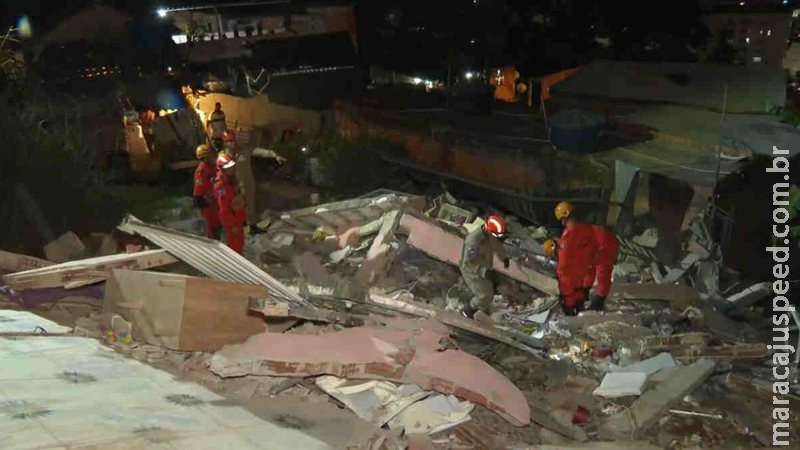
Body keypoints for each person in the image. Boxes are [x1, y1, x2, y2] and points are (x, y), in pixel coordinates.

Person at [459, 215, 510, 319]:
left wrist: (504, 258)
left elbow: (497, 246)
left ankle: (482, 310)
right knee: (483, 295)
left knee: (489, 292)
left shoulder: (490, 235)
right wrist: (483, 271)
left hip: (485, 268)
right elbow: (467, 263)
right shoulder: (473, 241)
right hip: (473, 272)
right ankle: (467, 310)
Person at [552, 201, 598, 316]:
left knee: (568, 298)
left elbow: (564, 259)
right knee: (579, 293)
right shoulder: (588, 229)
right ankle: (579, 311)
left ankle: (570, 314)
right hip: (583, 272)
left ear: (564, 217)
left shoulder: (568, 234)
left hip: (569, 274)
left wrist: (559, 273)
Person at [213, 152, 248, 254]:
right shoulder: (221, 185)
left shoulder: (231, 179)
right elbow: (224, 208)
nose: (231, 169)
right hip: (232, 219)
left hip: (238, 216)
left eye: (232, 166)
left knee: (240, 242)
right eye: (228, 167)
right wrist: (232, 225)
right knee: (235, 244)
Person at [192, 144, 221, 239]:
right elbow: (198, 195)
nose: (213, 157)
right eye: (211, 156)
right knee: (212, 229)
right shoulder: (201, 173)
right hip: (208, 206)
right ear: (205, 158)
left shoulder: (214, 167)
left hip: (216, 202)